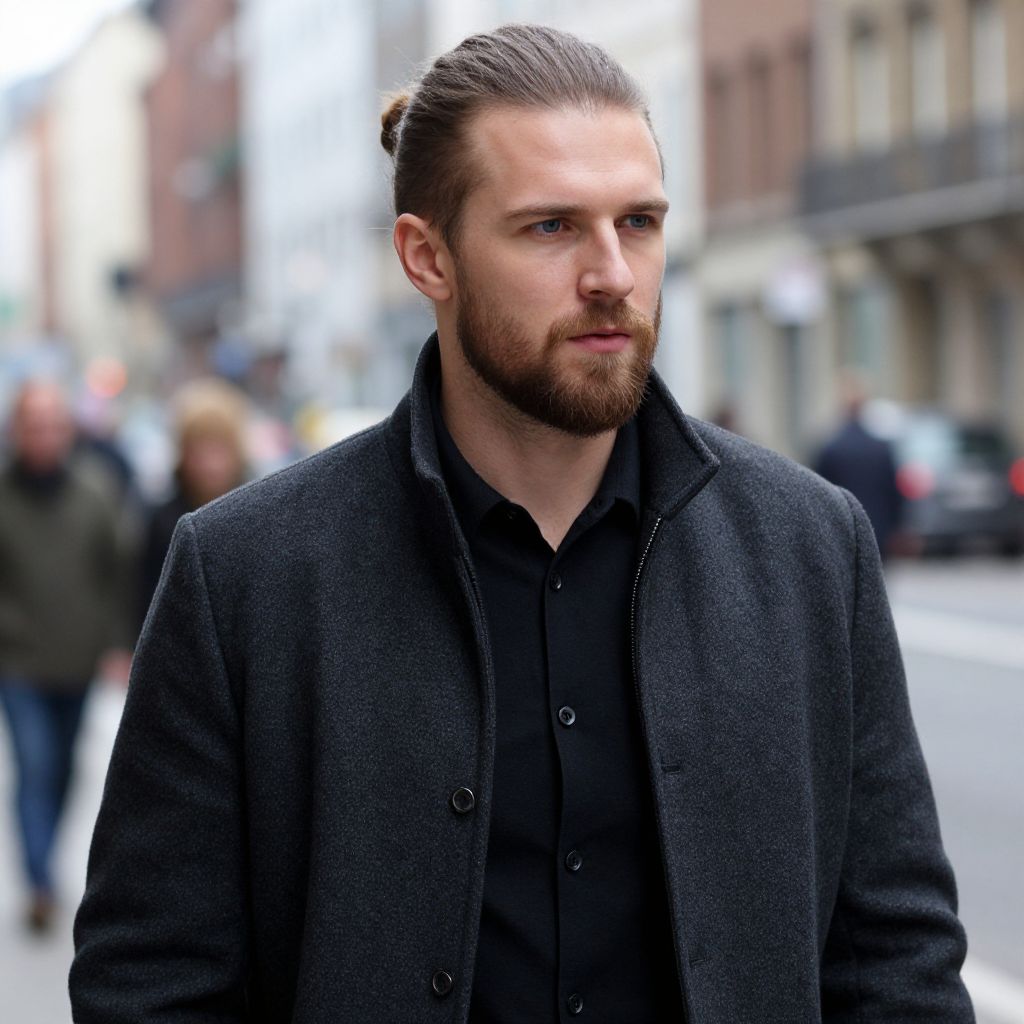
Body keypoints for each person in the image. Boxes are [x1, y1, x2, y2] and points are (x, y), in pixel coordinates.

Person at [70, 25, 973, 1022]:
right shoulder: (243, 576)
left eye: (638, 221)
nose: (612, 273)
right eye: (551, 227)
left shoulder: (810, 547)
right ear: (428, 258)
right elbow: (150, 982)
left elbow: (895, 962)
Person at [0, 380, 130, 934]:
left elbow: (118, 571)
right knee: (35, 765)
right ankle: (40, 882)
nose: (44, 435)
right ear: (16, 431)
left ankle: (45, 859)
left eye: (53, 424)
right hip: (18, 662)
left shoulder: (95, 492)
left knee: (66, 769)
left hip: (79, 657)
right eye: (33, 425)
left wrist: (118, 641)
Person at [138, 378, 249, 627]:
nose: (210, 464)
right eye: (200, 449)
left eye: (219, 449)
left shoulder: (256, 518)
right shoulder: (163, 521)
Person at [815, 368, 903, 559]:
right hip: (878, 528)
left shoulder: (831, 448)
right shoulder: (881, 448)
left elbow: (818, 493)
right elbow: (894, 492)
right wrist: (898, 527)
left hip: (841, 530)